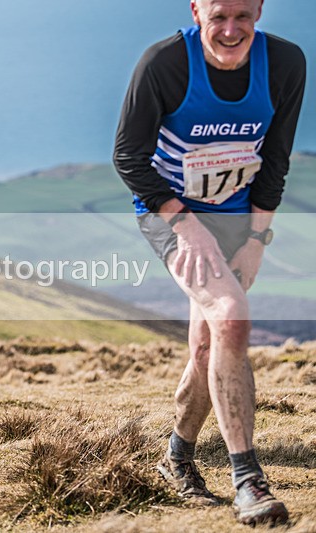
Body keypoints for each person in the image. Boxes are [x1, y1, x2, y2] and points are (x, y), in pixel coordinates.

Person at [114, 0, 305, 526]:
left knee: (206, 346)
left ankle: (176, 455)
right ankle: (248, 481)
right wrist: (184, 222)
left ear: (260, 10)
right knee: (231, 316)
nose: (230, 29)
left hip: (240, 219)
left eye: (243, 16)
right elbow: (128, 156)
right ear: (196, 9)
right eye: (218, 15)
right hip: (169, 213)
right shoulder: (165, 64)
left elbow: (276, 156)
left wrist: (257, 238)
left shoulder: (286, 63)